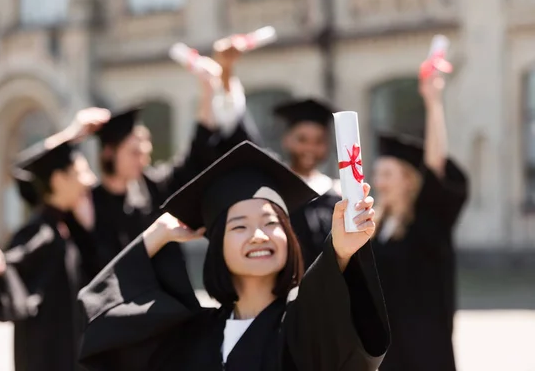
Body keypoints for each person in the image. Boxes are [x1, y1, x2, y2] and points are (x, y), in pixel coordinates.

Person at [77, 141, 389, 371]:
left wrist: (340, 251)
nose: (258, 235)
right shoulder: (193, 335)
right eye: (239, 226)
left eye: (270, 223)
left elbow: (326, 312)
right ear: (217, 247)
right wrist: (155, 235)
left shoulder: (299, 324)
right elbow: (103, 319)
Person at [88, 41, 261, 266]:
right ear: (109, 153)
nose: (144, 159)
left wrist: (208, 89)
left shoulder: (153, 188)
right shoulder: (89, 203)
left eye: (145, 150)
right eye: (134, 152)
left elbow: (197, 153)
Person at [0, 109, 110, 371]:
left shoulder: (67, 226)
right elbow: (11, 265)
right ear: (59, 180)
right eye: (82, 172)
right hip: (47, 359)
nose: (90, 180)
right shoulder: (39, 231)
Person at [371, 75, 469, 371]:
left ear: (409, 181)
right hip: (387, 352)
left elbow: (435, 165)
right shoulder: (377, 228)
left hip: (424, 351)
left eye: (388, 174)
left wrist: (433, 101)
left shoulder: (429, 223)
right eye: (377, 174)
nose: (379, 182)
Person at [273, 98, 342, 269]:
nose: (310, 148)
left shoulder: (335, 194)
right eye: (302, 140)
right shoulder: (275, 189)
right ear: (286, 140)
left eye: (318, 141)